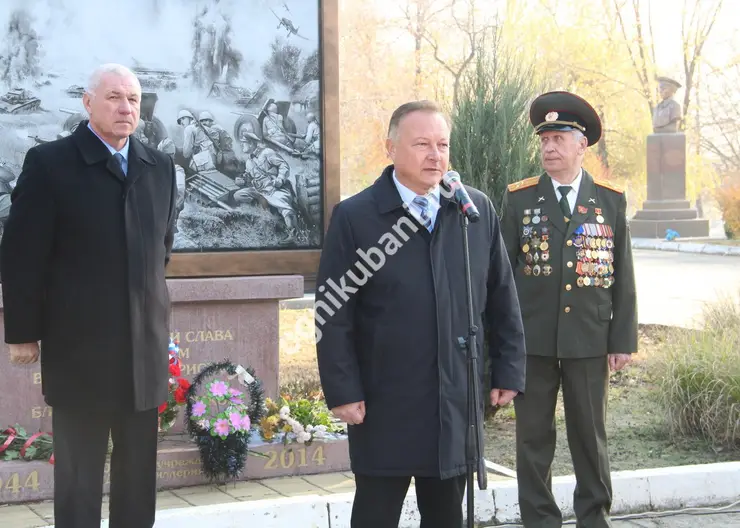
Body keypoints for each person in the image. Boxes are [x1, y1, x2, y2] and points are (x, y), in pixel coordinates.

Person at [315, 100, 527, 528]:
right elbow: (332, 311)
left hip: (453, 398)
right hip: (383, 401)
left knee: (447, 516)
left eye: (443, 144)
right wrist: (341, 389)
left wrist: (507, 370)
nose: (436, 155)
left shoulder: (473, 211)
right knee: (376, 514)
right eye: (422, 144)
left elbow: (502, 296)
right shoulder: (357, 216)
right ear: (390, 147)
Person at [0, 63, 178, 528]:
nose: (126, 108)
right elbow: (21, 255)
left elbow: (163, 246)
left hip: (143, 349)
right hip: (80, 351)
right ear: (88, 102)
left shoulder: (158, 167)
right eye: (114, 97)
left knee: (138, 479)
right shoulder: (50, 164)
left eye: (134, 100)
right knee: (79, 479)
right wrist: (22, 333)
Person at [500, 91, 638, 528]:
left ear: (582, 145)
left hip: (589, 339)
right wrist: (502, 343)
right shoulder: (520, 199)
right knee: (533, 439)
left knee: (589, 438)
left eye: (559, 138)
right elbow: (502, 278)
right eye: (544, 140)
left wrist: (622, 340)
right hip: (534, 341)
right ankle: (539, 520)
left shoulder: (610, 200)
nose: (549, 147)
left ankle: (594, 518)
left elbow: (623, 275)